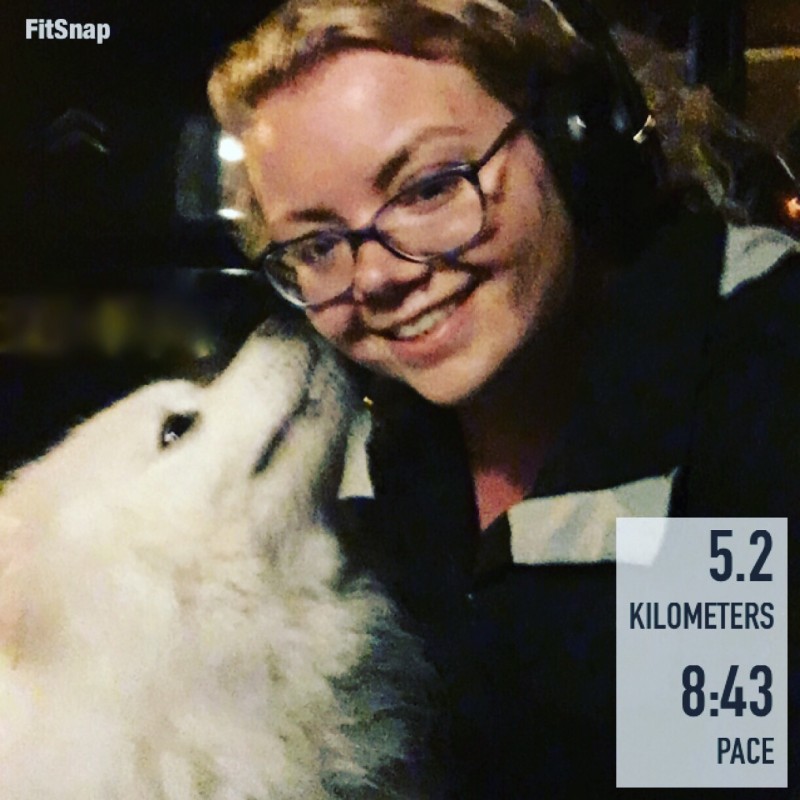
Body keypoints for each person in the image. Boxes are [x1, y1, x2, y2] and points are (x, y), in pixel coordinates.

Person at [208, 1, 800, 795]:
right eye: (317, 244)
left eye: (428, 188)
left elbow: (707, 767)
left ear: (575, 143)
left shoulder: (749, 376)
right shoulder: (378, 446)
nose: (376, 276)